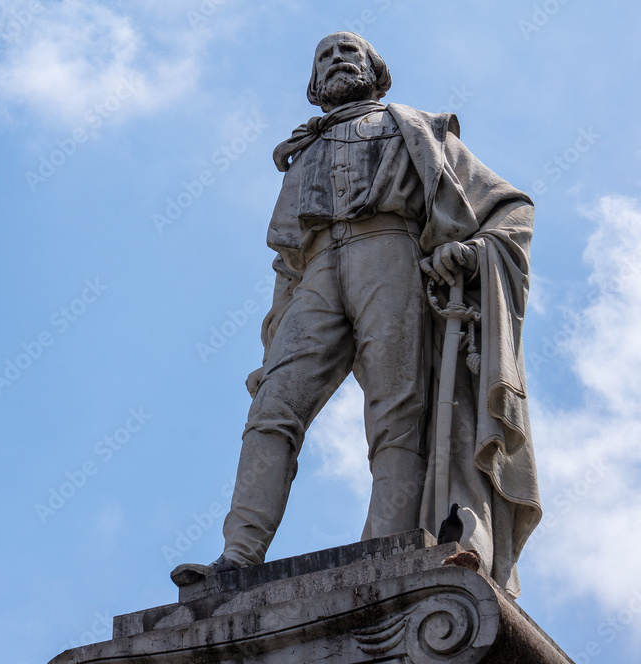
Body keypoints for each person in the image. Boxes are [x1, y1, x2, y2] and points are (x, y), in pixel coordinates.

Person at [171, 31, 541, 598]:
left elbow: (511, 207)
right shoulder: (303, 150)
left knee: (397, 410)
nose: (339, 59)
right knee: (273, 407)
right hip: (315, 275)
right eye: (324, 56)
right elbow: (288, 264)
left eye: (351, 51)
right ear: (314, 85)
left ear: (376, 70)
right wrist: (271, 345)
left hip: (389, 254)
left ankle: (391, 549)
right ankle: (236, 559)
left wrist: (471, 250)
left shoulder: (417, 127)